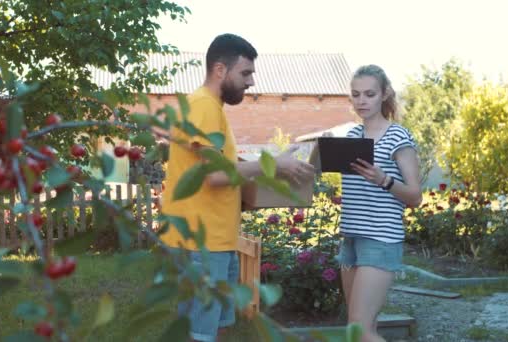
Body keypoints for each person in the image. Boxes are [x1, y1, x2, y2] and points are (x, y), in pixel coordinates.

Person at [160, 33, 314, 342]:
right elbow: (214, 176)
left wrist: (270, 164)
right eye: (245, 73)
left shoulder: (211, 108)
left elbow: (224, 170)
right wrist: (273, 166)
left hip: (217, 240)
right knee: (198, 333)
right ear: (220, 69)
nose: (251, 82)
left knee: (216, 326)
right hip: (199, 243)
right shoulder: (203, 106)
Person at [337, 65, 422, 342]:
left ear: (384, 94)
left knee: (359, 330)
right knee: (359, 329)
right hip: (351, 238)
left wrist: (383, 179)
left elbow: (415, 197)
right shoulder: (351, 138)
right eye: (356, 94)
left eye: (369, 94)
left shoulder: (398, 137)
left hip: (380, 239)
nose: (361, 100)